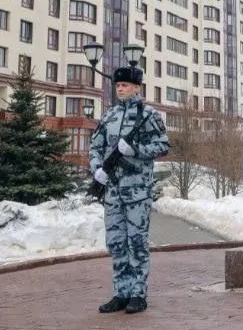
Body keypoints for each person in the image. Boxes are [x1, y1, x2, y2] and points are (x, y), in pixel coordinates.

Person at [89, 66, 170, 315]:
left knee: (136, 243)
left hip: (137, 193)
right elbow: (95, 146)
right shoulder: (109, 116)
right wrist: (97, 170)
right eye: (118, 85)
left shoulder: (149, 115)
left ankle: (138, 294)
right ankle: (121, 293)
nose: (120, 88)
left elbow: (162, 145)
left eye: (125, 85)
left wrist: (134, 151)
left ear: (136, 87)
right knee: (116, 243)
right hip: (113, 192)